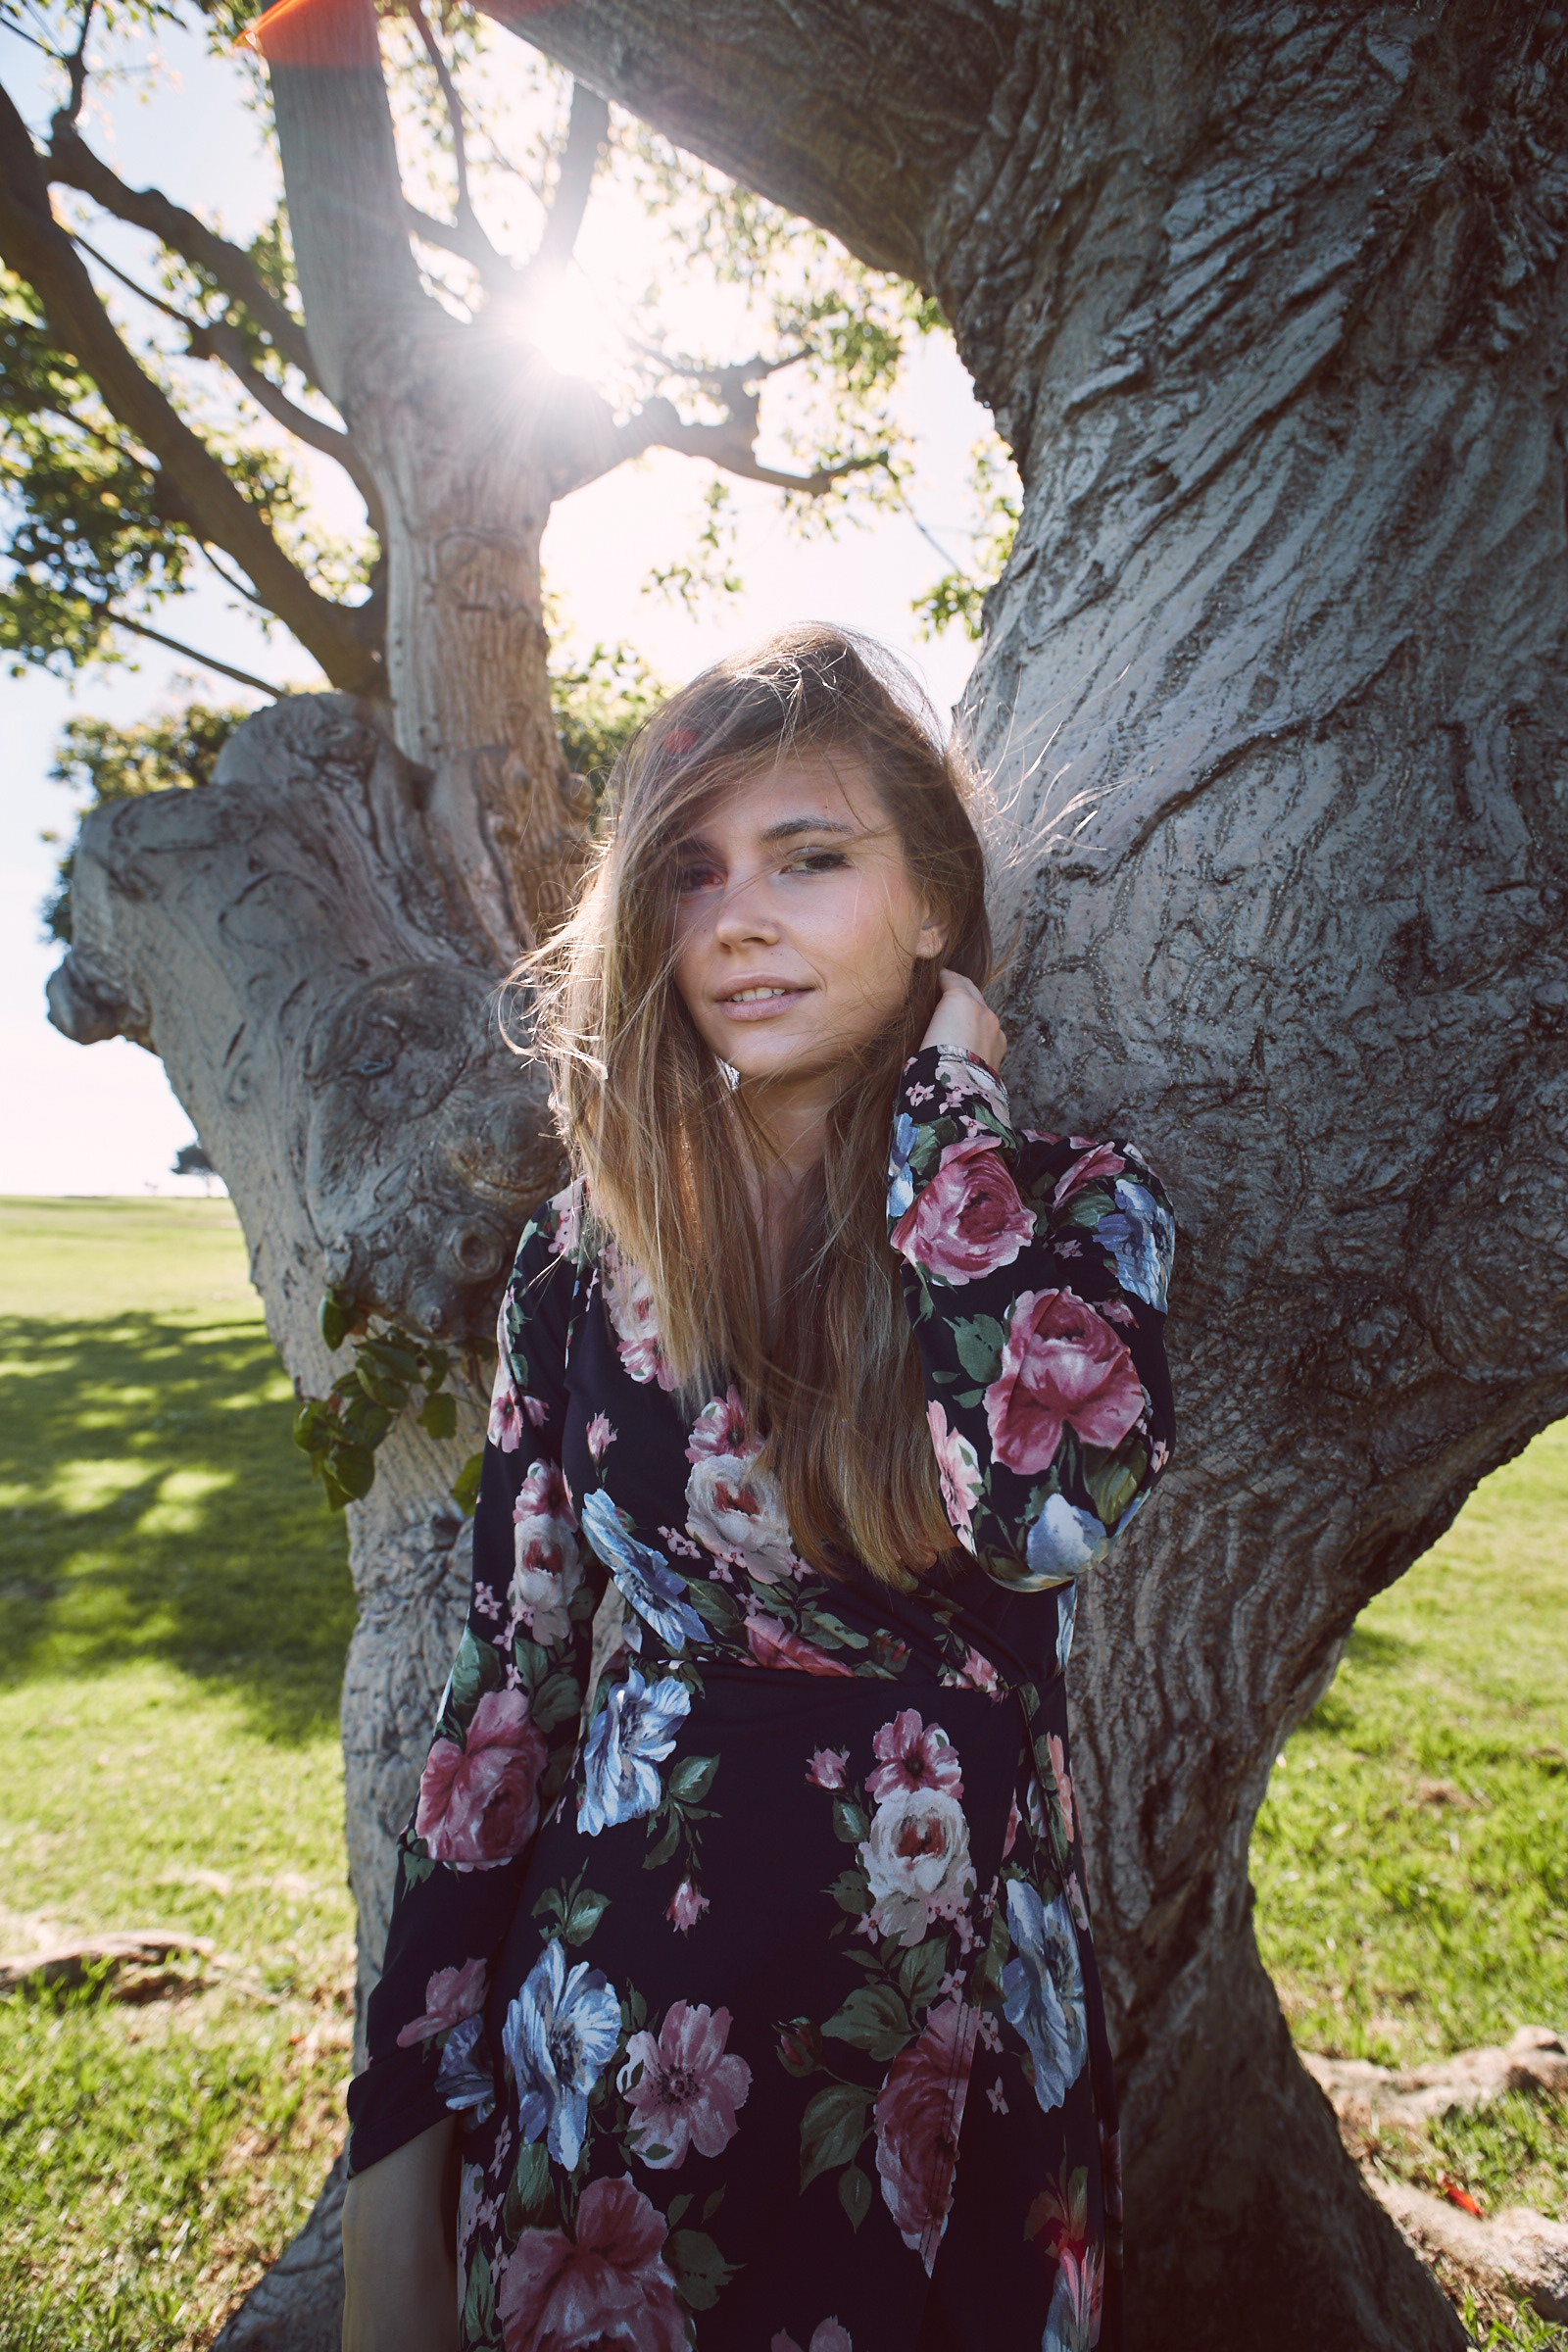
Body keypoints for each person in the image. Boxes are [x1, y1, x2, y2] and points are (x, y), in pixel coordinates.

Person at [340, 624, 1175, 2352]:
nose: (739, 918)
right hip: (621, 2062)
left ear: (932, 903)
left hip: (958, 2051)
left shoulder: (1077, 1210)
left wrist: (947, 1108)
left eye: (813, 860)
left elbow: (1048, 1507)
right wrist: (391, 2191)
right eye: (693, 874)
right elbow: (502, 1706)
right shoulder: (586, 1258)